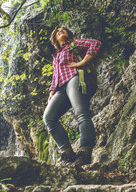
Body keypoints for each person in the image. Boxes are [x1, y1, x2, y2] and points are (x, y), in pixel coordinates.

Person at [43, 26, 102, 166]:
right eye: (57, 32)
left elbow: (96, 43)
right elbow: (55, 76)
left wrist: (82, 62)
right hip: (60, 88)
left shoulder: (74, 44)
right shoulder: (55, 57)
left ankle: (85, 152)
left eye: (63, 30)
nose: (60, 31)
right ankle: (68, 154)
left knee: (81, 114)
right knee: (49, 117)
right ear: (55, 39)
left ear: (68, 34)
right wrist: (51, 91)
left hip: (75, 78)